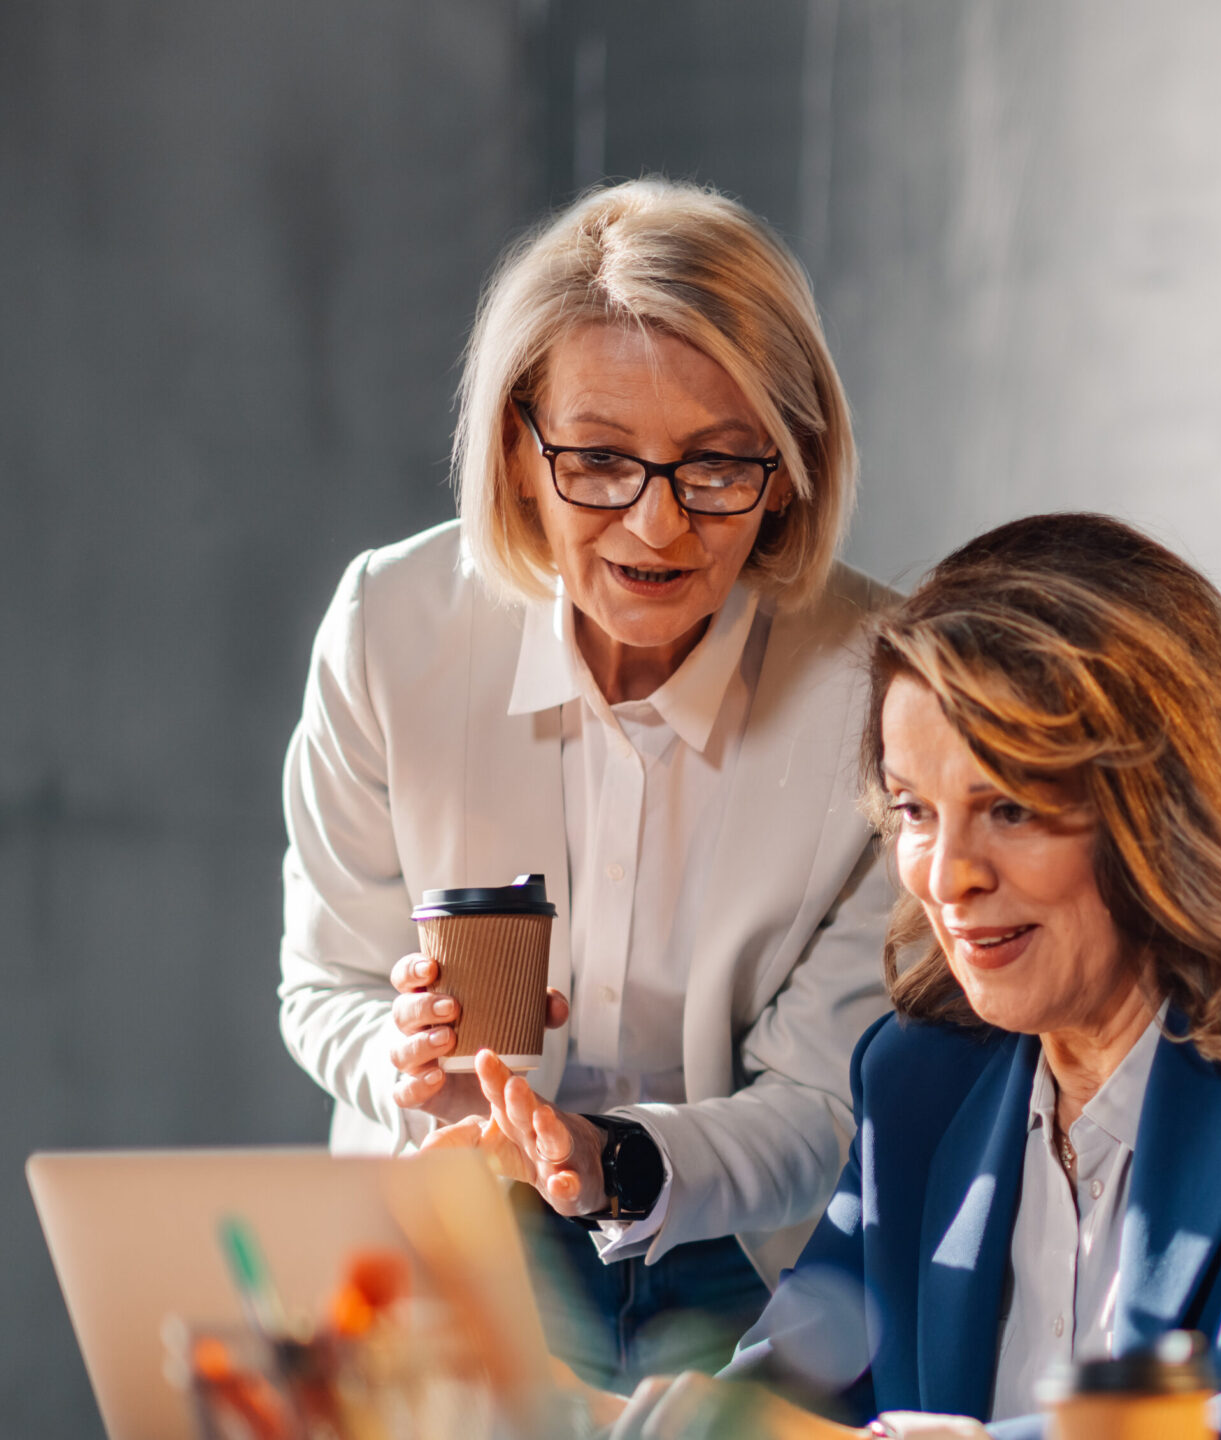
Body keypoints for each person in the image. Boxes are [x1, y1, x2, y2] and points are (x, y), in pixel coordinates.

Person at [593, 512, 1221, 1440]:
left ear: (1168, 810)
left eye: (1012, 808)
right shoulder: (917, 1075)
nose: (947, 877)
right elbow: (791, 1398)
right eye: (914, 809)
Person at [276, 178, 894, 1388]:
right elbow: (324, 983)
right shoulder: (389, 626)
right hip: (456, 1225)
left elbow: (827, 1099)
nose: (656, 531)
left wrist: (608, 1158)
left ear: (790, 467)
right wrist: (406, 1061)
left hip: (756, 1250)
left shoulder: (881, 687)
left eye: (716, 466)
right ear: (515, 448)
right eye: (599, 461)